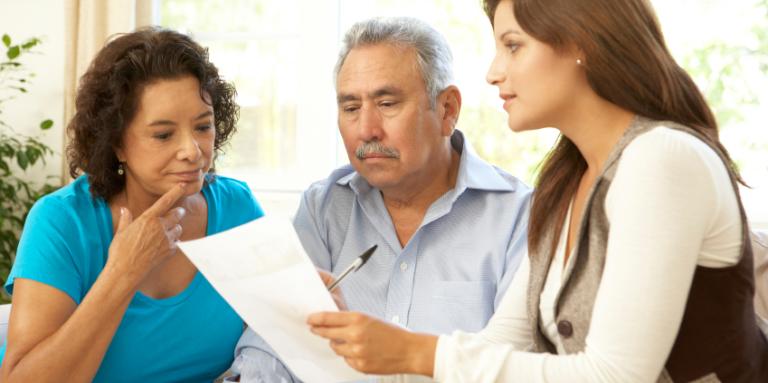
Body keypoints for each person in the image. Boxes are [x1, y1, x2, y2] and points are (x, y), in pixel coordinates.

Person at [306, 0, 768, 381]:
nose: (493, 72)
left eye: (513, 46)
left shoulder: (661, 159)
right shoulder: (564, 185)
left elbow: (616, 375)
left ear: (581, 44)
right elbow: (496, 347)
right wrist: (362, 342)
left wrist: (413, 352)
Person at [231, 17, 531, 382]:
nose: (366, 130)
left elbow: (514, 366)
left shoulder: (519, 216)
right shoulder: (324, 207)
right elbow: (273, 340)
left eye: (387, 103)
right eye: (351, 108)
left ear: (447, 109)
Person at [0, 27, 264, 382]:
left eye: (203, 127)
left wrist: (304, 303)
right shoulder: (61, 223)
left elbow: (271, 338)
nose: (193, 151)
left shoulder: (237, 209)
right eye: (163, 135)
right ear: (116, 142)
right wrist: (123, 272)